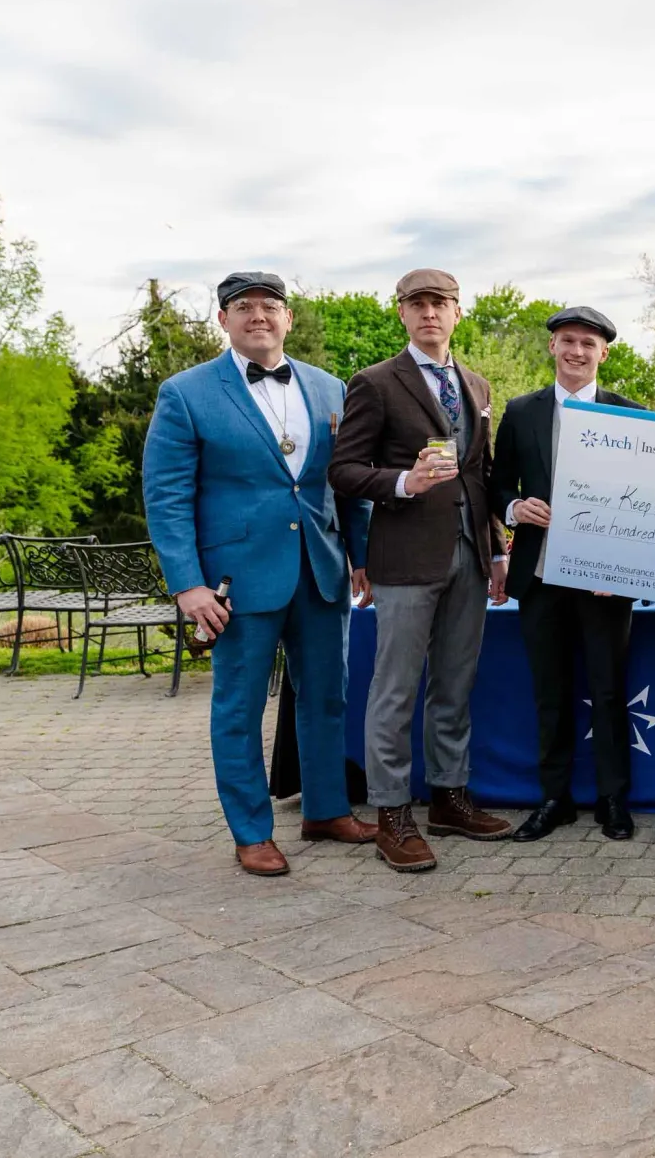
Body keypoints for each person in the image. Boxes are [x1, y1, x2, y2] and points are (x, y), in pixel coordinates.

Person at [143, 271, 375, 876]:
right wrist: (187, 585)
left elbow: (347, 483)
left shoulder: (330, 387)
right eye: (243, 307)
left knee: (327, 697)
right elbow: (166, 497)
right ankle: (251, 832)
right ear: (223, 320)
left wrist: (363, 556)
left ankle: (326, 810)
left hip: (321, 570)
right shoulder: (186, 393)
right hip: (235, 582)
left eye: (270, 306)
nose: (258, 316)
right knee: (239, 709)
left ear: (288, 318)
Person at [328, 268, 513, 872]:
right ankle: (391, 812)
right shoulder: (375, 382)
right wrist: (404, 482)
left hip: (470, 554)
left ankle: (448, 798)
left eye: (440, 303)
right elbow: (343, 470)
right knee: (396, 689)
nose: (429, 313)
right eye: (418, 304)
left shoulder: (477, 385)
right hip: (405, 557)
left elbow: (481, 475)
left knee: (455, 684)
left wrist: (497, 550)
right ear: (402, 313)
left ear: (458, 312)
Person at [490, 305, 644, 843]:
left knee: (608, 691)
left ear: (605, 353)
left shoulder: (631, 415)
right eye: (568, 341)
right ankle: (554, 799)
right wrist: (515, 508)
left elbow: (647, 498)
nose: (577, 351)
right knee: (549, 693)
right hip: (540, 576)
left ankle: (613, 798)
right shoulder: (520, 411)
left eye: (588, 343)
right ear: (553, 346)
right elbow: (497, 484)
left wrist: (625, 565)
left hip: (605, 580)